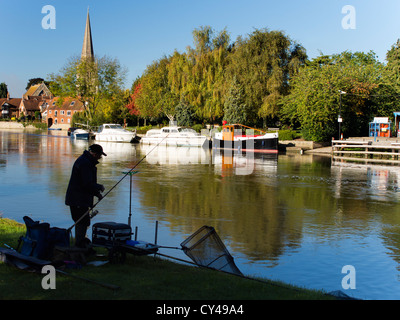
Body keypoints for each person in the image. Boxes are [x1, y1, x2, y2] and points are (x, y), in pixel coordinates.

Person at [65, 144, 106, 248]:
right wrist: (99, 187)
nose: (100, 158)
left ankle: (80, 245)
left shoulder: (85, 161)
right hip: (77, 199)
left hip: (78, 198)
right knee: (81, 222)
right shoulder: (85, 163)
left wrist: (97, 194)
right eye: (99, 155)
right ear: (94, 154)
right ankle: (78, 247)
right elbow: (87, 183)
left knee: (83, 222)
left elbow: (86, 184)